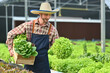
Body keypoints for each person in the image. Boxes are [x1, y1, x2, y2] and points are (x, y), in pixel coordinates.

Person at [6, 2, 60, 73]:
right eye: (46, 14)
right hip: (29, 63)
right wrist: (10, 50)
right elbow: (10, 34)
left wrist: (59, 50)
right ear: (40, 14)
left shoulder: (52, 30)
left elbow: (57, 45)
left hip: (43, 65)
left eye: (50, 15)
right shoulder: (29, 25)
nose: (48, 17)